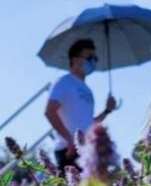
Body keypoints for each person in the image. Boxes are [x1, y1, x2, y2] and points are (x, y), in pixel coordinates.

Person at [44, 38, 117, 170]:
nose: (93, 61)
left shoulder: (88, 90)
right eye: (89, 57)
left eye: (95, 58)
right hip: (69, 149)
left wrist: (107, 110)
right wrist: (69, 140)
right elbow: (49, 111)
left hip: (87, 150)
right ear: (75, 59)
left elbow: (90, 122)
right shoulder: (64, 82)